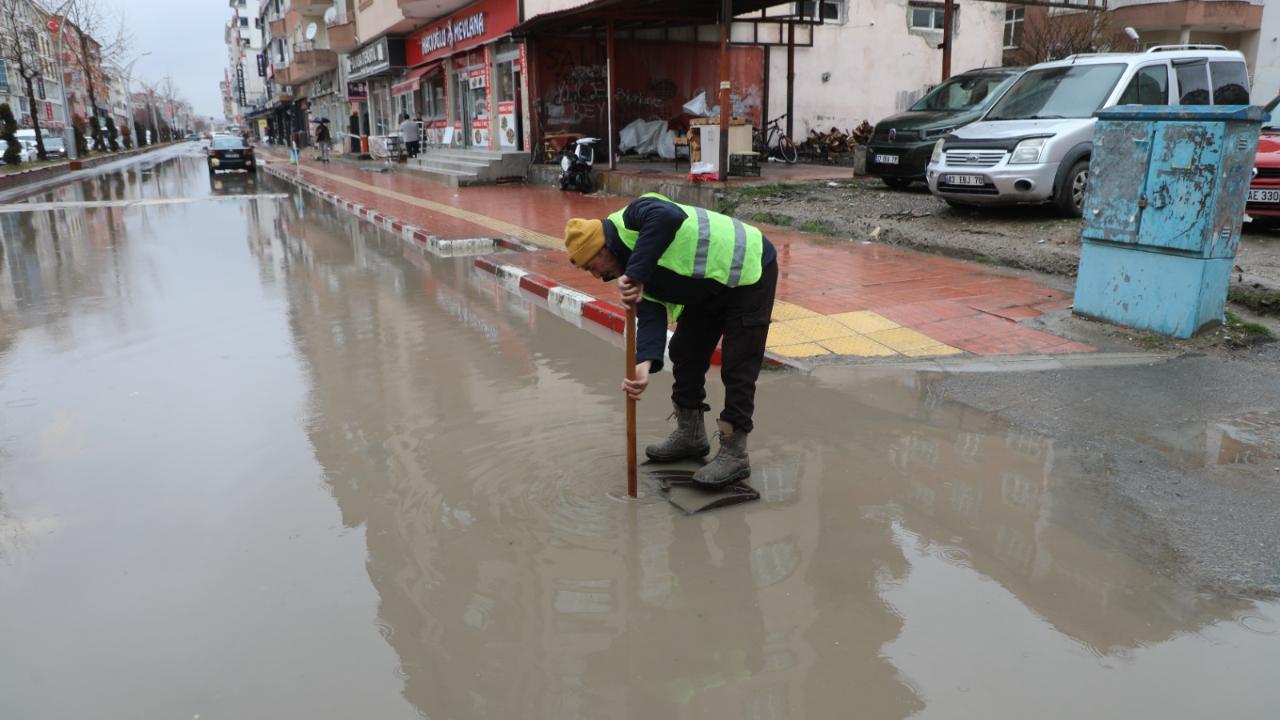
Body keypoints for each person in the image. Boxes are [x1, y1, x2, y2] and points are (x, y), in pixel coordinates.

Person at [564, 193, 778, 488]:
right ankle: (690, 435)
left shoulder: (634, 215)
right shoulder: (626, 268)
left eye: (592, 264)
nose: (594, 274)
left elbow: (668, 216)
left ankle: (735, 453)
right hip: (708, 286)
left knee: (738, 364)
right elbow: (651, 313)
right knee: (685, 351)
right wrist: (643, 366)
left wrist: (636, 273)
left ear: (605, 247)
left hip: (749, 268)